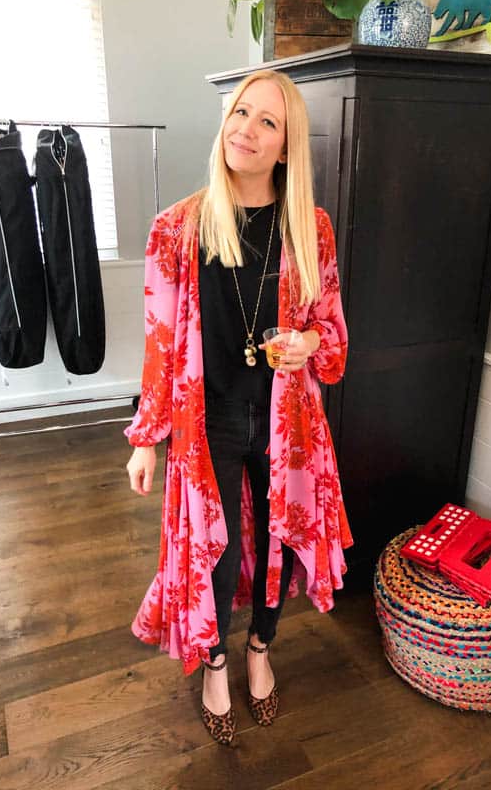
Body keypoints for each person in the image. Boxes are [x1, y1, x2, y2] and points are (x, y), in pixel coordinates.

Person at [125, 69, 352, 746]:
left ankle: (260, 649)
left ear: (287, 147)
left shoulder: (310, 228)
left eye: (267, 122)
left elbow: (333, 338)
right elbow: (161, 344)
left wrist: (307, 339)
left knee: (278, 542)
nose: (245, 131)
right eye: (240, 112)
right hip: (209, 423)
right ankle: (216, 661)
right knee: (217, 557)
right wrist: (146, 437)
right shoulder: (177, 229)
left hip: (288, 424)